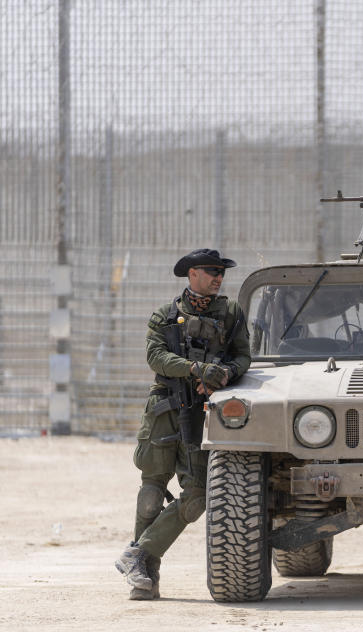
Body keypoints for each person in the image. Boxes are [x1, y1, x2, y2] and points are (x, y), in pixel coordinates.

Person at [114, 249, 250, 600]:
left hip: (202, 410)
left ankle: (138, 554)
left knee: (197, 496)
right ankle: (145, 580)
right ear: (192, 274)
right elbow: (155, 356)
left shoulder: (231, 312)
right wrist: (194, 368)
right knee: (150, 494)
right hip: (163, 409)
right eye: (212, 271)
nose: (219, 277)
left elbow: (243, 356)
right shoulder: (165, 315)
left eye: (222, 272)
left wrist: (225, 374)